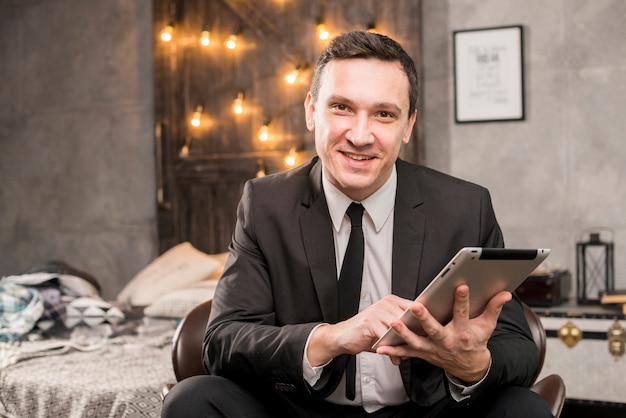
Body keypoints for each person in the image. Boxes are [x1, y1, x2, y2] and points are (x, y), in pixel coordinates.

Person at [162, 30, 552, 417]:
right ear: (311, 111)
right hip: (301, 410)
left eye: (384, 114)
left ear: (408, 126)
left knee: (524, 409)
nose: (361, 135)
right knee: (192, 400)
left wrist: (472, 365)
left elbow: (518, 346)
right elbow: (223, 342)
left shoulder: (466, 207)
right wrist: (331, 337)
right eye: (342, 108)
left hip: (425, 411)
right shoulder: (265, 204)